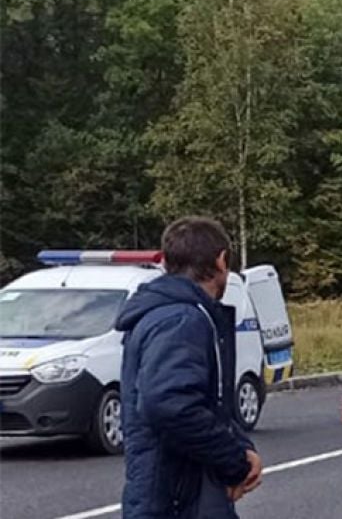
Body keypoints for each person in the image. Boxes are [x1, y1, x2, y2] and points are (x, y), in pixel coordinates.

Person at [116, 217, 262, 518]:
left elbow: (205, 403)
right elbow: (169, 404)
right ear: (221, 261)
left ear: (166, 261)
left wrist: (240, 446)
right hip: (177, 502)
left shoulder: (169, 313)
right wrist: (234, 461)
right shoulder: (182, 320)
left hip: (177, 496)